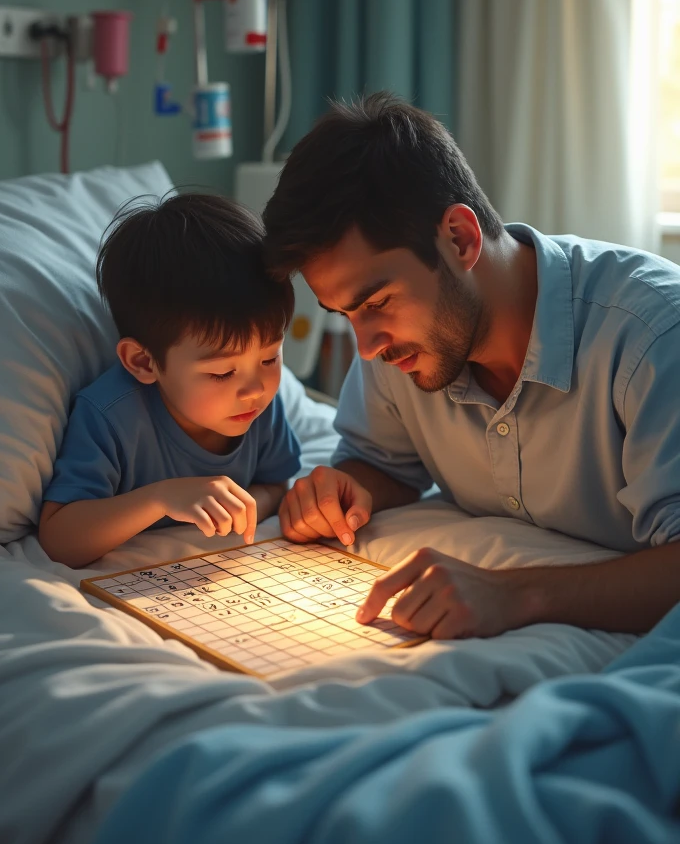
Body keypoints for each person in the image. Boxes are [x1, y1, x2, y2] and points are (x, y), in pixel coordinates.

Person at [262, 92, 680, 641]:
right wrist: (341, 489)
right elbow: (383, 464)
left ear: (459, 238)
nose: (366, 347)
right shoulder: (401, 347)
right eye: (345, 315)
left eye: (376, 302)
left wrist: (516, 593)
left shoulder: (652, 336)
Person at [39, 193, 300, 569]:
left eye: (269, 358)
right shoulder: (112, 417)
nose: (255, 388)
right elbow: (58, 539)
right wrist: (161, 499)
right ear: (144, 362)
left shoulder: (258, 406)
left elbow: (277, 485)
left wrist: (241, 506)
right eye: (221, 373)